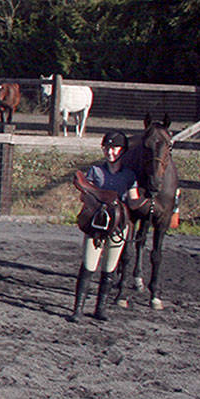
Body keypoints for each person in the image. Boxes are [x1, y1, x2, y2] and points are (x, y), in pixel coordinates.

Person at [71, 131, 141, 321]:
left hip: (119, 226)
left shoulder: (129, 176)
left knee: (109, 268)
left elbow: (134, 201)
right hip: (97, 225)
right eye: (107, 148)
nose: (110, 152)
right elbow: (84, 196)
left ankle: (100, 308)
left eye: (115, 148)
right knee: (88, 265)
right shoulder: (95, 171)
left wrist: (146, 204)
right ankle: (78, 309)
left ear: (122, 151)